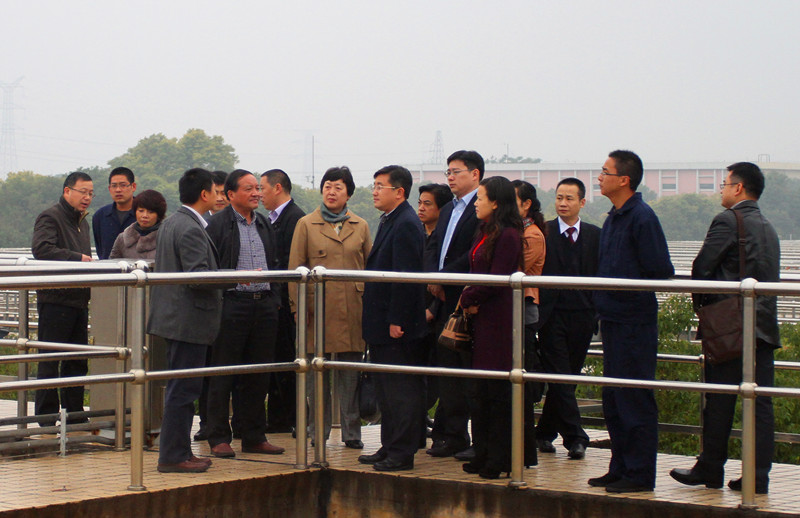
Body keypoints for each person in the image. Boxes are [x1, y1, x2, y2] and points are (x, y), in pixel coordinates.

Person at [670, 162, 780, 494]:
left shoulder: (728, 220)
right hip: (763, 327)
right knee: (759, 404)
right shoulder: (769, 227)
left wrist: (704, 310)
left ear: (738, 188)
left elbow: (702, 268)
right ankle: (757, 476)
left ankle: (710, 468)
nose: (721, 190)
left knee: (719, 399)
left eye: (724, 184)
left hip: (731, 328)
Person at [587, 150, 674, 493]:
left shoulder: (642, 217)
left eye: (605, 172)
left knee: (634, 398)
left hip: (634, 322)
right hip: (611, 318)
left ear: (624, 179)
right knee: (613, 398)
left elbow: (660, 268)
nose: (599, 177)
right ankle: (620, 466)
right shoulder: (614, 217)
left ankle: (639, 473)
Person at [147, 168, 228, 473]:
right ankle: (172, 456)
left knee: (180, 388)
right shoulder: (191, 228)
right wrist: (236, 278)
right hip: (188, 321)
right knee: (183, 390)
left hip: (175, 319)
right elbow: (198, 276)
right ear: (204, 194)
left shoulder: (173, 223)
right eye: (215, 191)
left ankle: (180, 451)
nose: (218, 196)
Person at [289, 166, 371, 449]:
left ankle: (352, 432)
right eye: (327, 186)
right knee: (316, 373)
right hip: (316, 310)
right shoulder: (305, 224)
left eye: (338, 187)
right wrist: (298, 307)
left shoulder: (361, 225)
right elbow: (295, 269)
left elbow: (369, 267)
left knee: (350, 372)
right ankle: (317, 431)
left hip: (352, 308)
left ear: (348, 193)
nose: (331, 192)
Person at [204, 169, 285, 458]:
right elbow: (210, 267)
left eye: (257, 188)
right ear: (230, 194)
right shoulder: (217, 224)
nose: (256, 194)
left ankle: (253, 435)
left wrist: (274, 299)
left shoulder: (263, 223)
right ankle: (218, 436)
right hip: (232, 304)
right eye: (249, 189)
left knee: (258, 374)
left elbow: (275, 263)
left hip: (263, 305)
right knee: (223, 373)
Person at [458, 176, 529, 479]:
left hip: (498, 320)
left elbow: (497, 279)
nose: (475, 203)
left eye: (480, 198)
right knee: (480, 391)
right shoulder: (484, 230)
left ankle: (498, 458)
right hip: (481, 318)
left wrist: (468, 296)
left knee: (497, 392)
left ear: (496, 202)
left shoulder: (510, 235)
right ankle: (482, 452)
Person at [358, 165, 427, 472]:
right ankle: (389, 445)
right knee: (386, 389)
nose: (374, 191)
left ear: (399, 192)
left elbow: (405, 277)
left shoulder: (407, 223)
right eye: (373, 185)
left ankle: (402, 452)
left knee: (400, 390)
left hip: (396, 325)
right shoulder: (390, 220)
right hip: (380, 321)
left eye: (380, 186)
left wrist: (397, 319)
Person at [534, 178, 600, 461]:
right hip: (552, 317)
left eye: (569, 198)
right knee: (560, 375)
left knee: (567, 379)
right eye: (559, 197)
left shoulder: (595, 235)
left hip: (583, 316)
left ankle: (543, 433)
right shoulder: (544, 232)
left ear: (582, 202)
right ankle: (576, 437)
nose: (563, 203)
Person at [425, 150, 483, 460]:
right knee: (446, 369)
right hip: (443, 299)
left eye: (456, 171)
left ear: (475, 174)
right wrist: (432, 278)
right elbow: (434, 245)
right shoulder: (448, 208)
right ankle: (451, 435)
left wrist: (444, 278)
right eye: (448, 171)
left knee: (468, 372)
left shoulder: (482, 208)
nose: (450, 177)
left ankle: (471, 437)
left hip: (467, 300)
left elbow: (473, 253)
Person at [31, 171, 94, 426]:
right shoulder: (51, 216)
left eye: (91, 193)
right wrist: (77, 259)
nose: (87, 198)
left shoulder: (82, 222)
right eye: (83, 192)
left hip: (78, 298)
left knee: (77, 360)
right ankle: (46, 417)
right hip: (55, 299)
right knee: (50, 360)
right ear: (67, 191)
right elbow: (42, 249)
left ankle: (74, 414)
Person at [261, 169, 306, 434]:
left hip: (286, 301)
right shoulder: (271, 219)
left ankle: (294, 417)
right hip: (274, 300)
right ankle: (278, 418)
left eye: (262, 188)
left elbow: (290, 261)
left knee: (287, 360)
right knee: (275, 360)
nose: (259, 194)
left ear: (277, 188)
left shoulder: (295, 219)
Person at [510, 179, 547, 463]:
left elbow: (514, 266)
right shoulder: (515, 231)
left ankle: (524, 451)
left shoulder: (532, 235)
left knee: (519, 378)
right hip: (511, 309)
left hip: (523, 309)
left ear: (526, 204)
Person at [417, 183, 453, 419]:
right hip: (416, 314)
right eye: (419, 203)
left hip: (439, 313)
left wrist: (433, 308)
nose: (421, 208)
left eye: (427, 204)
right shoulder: (415, 233)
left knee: (439, 372)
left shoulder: (445, 239)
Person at [109, 190, 167, 260]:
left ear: (159, 214)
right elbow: (113, 263)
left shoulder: (167, 238)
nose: (145, 215)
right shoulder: (122, 239)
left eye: (151, 212)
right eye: (141, 211)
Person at [92, 167, 137, 260]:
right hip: (108, 268)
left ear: (133, 187)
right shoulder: (100, 216)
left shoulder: (144, 214)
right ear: (109, 188)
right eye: (114, 186)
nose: (118, 190)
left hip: (138, 268)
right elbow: (100, 250)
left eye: (123, 185)